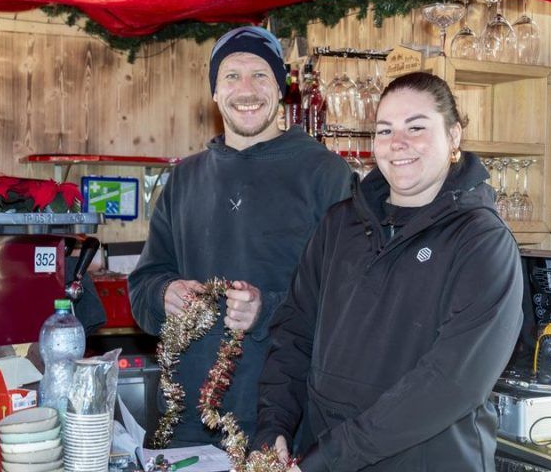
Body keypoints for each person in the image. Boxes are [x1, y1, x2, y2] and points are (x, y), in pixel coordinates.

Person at [253, 72, 524, 471]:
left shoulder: (482, 242)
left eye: (416, 127)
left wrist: (329, 458)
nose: (398, 143)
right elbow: (295, 333)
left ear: (453, 136)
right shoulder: (339, 225)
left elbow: (450, 382)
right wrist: (272, 425)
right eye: (385, 130)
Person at [129, 26, 352, 447]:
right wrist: (164, 294)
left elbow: (349, 304)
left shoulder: (325, 174)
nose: (245, 89)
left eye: (260, 75)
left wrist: (265, 309)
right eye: (231, 76)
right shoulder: (184, 179)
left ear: (282, 89)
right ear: (214, 92)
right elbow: (143, 285)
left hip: (284, 421)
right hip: (187, 420)